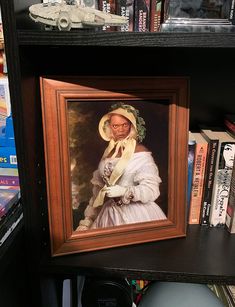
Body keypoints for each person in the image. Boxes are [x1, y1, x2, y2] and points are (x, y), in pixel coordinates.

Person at [76, 103, 167, 231]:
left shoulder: (140, 152)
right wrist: (88, 220)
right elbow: (98, 192)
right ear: (109, 127)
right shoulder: (108, 153)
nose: (121, 130)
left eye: (125, 125)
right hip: (109, 215)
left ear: (132, 126)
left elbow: (152, 189)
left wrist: (125, 191)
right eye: (116, 126)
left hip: (137, 214)